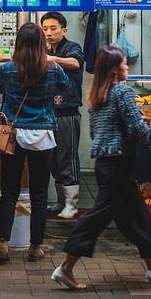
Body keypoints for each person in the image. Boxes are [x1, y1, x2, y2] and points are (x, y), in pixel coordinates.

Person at [51, 46, 151, 290]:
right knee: (96, 218)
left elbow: (96, 131)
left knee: (139, 216)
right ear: (114, 69)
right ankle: (65, 268)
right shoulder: (122, 92)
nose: (127, 67)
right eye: (124, 63)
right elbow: (135, 128)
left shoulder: (97, 94)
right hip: (119, 164)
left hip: (106, 163)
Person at [0, 23, 71, 264]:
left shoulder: (6, 68)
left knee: (9, 192)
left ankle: (3, 243)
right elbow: (66, 87)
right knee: (38, 194)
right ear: (40, 44)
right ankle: (35, 247)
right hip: (42, 135)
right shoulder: (52, 68)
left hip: (13, 135)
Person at [41, 12, 85, 219]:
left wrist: (52, 59)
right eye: (45, 29)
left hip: (67, 112)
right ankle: (61, 202)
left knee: (68, 158)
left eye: (53, 28)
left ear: (63, 30)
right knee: (53, 161)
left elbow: (75, 64)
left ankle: (72, 205)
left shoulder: (72, 47)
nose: (48, 33)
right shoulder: (46, 49)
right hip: (49, 113)